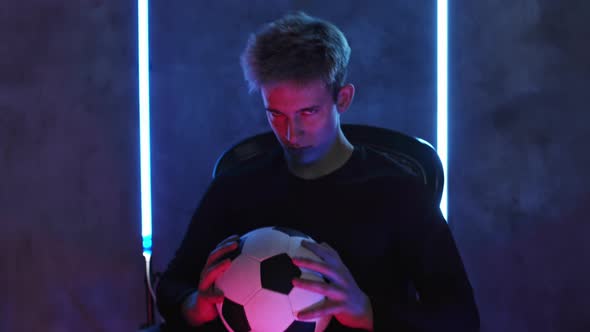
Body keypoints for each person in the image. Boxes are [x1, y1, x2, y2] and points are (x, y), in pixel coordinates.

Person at [156, 11, 480, 332]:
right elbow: (172, 284)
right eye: (276, 114)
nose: (291, 132)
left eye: (308, 112)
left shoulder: (399, 192)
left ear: (343, 98)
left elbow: (461, 318)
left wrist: (369, 312)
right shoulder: (236, 187)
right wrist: (194, 306)